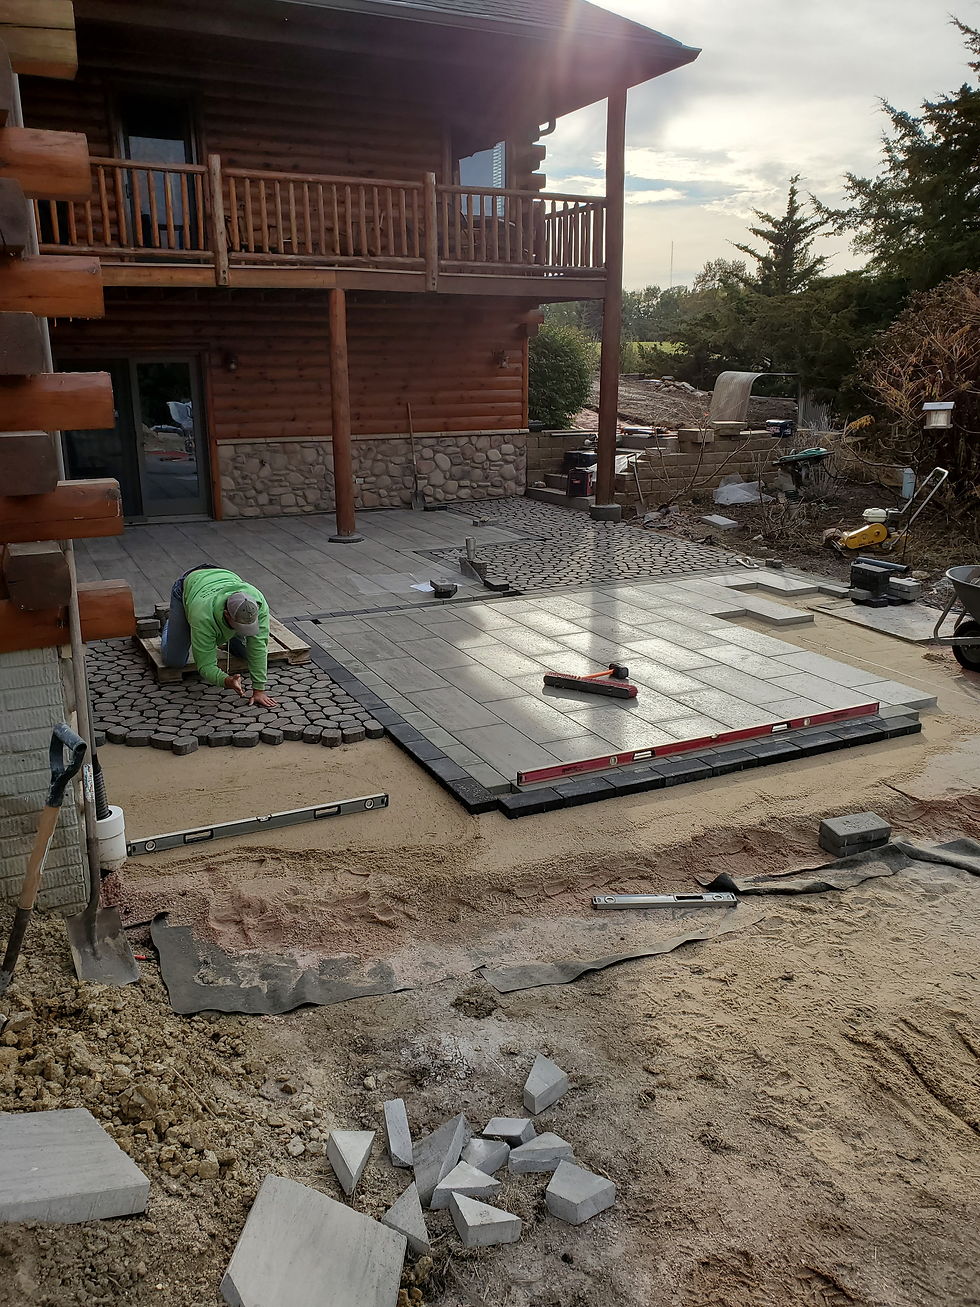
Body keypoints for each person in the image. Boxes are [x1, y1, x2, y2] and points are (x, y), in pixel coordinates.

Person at [160, 566, 278, 708]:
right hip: (190, 585)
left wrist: (259, 690)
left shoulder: (257, 604)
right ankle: (173, 623)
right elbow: (206, 665)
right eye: (240, 626)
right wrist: (226, 681)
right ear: (227, 614)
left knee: (247, 654)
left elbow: (258, 647)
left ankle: (228, 634)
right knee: (174, 660)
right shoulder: (202, 616)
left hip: (225, 575)